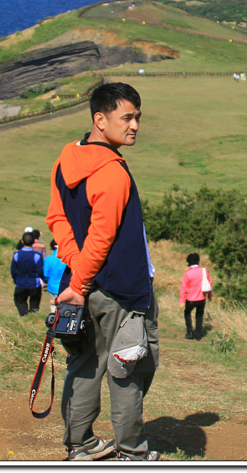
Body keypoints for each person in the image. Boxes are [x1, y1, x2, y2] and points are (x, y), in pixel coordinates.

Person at [46, 82, 161, 462]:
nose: (135, 126)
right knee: (128, 368)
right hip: (119, 290)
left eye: (137, 117)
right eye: (127, 117)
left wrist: (76, 275)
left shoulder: (65, 161)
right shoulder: (112, 172)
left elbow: (57, 219)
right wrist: (81, 281)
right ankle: (132, 452)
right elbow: (102, 235)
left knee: (83, 365)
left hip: (78, 287)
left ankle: (80, 445)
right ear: (100, 119)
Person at [179, 253, 212, 341]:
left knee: (187, 313)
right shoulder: (204, 271)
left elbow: (184, 288)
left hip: (190, 299)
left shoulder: (188, 273)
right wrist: (209, 295)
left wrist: (182, 300)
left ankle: (190, 332)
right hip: (201, 298)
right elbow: (209, 283)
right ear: (198, 261)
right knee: (199, 316)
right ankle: (198, 335)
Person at [11, 231, 45, 316]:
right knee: (34, 304)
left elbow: (13, 271)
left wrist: (16, 280)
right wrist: (43, 279)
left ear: (22, 241)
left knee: (20, 301)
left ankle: (24, 316)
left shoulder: (17, 255)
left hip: (21, 283)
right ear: (34, 242)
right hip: (34, 284)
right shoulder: (37, 256)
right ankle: (32, 319)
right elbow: (40, 271)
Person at [42, 239, 67, 307]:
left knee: (53, 306)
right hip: (66, 287)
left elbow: (45, 274)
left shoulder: (48, 259)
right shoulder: (67, 258)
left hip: (52, 287)